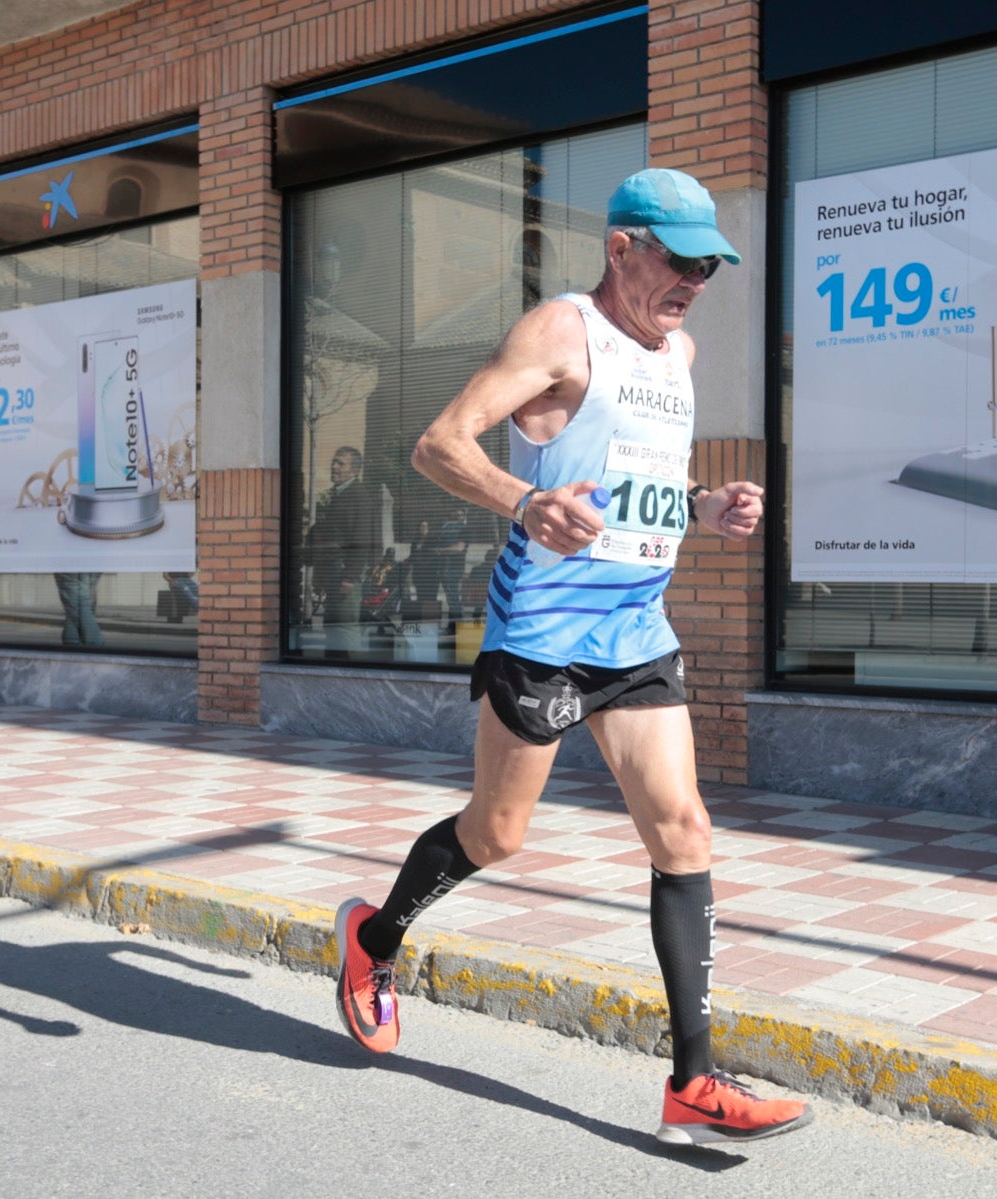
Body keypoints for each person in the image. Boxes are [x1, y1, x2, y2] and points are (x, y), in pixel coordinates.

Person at [331, 168, 810, 1145]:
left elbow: (641, 476)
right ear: (622, 248)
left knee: (683, 829)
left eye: (709, 266)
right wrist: (523, 500)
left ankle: (694, 1079)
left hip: (635, 630)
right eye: (677, 260)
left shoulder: (675, 350)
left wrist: (704, 505)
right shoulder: (559, 334)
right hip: (543, 633)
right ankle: (373, 940)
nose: (693, 281)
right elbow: (437, 443)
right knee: (498, 834)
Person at [306, 445, 380, 656]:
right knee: (334, 626)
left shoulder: (359, 497)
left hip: (346, 575)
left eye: (341, 463)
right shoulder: (341, 495)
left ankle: (355, 675)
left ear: (354, 471)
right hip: (336, 574)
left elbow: (362, 540)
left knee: (346, 627)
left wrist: (350, 576)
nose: (334, 467)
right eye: (334, 462)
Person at [53, 572, 104, 647]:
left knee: (78, 608)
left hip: (70, 565)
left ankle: (94, 648)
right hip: (93, 563)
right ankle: (73, 646)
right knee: (80, 607)